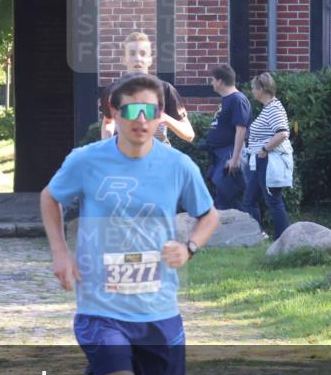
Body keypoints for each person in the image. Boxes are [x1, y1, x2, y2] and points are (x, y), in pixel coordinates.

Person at [40, 73, 219, 375]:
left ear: (161, 116)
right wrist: (61, 253)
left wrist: (189, 246)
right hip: (102, 306)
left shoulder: (178, 166)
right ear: (113, 114)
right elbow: (50, 197)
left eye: (152, 111)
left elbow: (208, 214)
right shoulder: (87, 160)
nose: (143, 120)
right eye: (132, 111)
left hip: (158, 309)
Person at [100, 31, 194, 145]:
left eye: (143, 53)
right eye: (132, 53)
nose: (138, 58)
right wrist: (107, 143)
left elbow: (189, 134)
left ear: (150, 59)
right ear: (124, 59)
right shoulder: (112, 91)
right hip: (124, 158)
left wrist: (164, 117)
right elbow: (108, 122)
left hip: (159, 159)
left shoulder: (165, 89)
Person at [240, 73, 291, 240]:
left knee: (273, 201)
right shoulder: (268, 108)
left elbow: (282, 133)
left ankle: (283, 240)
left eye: (254, 88)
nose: (252, 91)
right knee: (249, 200)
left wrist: (264, 149)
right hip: (260, 161)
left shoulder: (274, 108)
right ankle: (257, 236)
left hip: (267, 161)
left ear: (262, 89)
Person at [204, 63, 251, 210]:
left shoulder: (238, 100)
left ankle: (254, 229)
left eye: (212, 80)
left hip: (230, 153)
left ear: (220, 81)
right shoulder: (227, 99)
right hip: (220, 153)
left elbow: (241, 129)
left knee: (225, 196)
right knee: (224, 197)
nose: (211, 83)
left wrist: (235, 158)